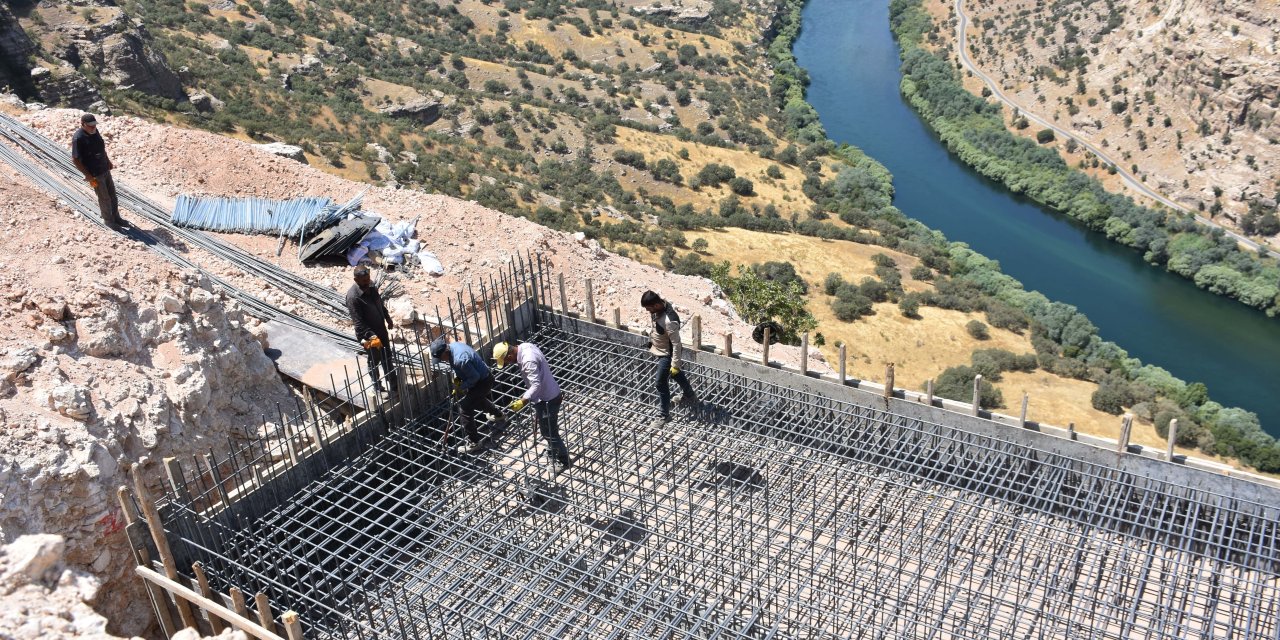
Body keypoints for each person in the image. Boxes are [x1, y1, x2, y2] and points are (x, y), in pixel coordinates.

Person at [493, 341, 571, 474]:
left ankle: (564, 460)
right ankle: (553, 449)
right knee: (548, 430)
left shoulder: (528, 360)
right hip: (547, 395)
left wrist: (523, 401)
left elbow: (536, 385)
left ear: (510, 356)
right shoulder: (525, 346)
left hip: (548, 399)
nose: (507, 364)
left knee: (549, 433)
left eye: (506, 362)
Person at [431, 337, 505, 453]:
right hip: (482, 376)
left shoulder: (459, 359)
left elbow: (475, 377)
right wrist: (458, 378)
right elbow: (462, 369)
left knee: (464, 407)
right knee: (476, 399)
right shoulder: (454, 346)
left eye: (441, 358)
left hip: (483, 381)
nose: (442, 361)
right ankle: (498, 414)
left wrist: (461, 386)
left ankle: (474, 442)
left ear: (445, 352)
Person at [641, 290, 698, 426]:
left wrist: (675, 364)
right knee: (675, 375)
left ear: (655, 305)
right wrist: (651, 342)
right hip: (660, 349)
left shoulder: (670, 320)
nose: (648, 311)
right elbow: (657, 329)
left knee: (660, 383)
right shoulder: (659, 309)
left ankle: (664, 415)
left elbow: (677, 344)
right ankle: (690, 395)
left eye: (649, 308)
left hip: (667, 354)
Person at [344, 265, 399, 400]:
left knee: (387, 356)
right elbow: (358, 322)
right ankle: (377, 387)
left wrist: (387, 318)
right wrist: (371, 335)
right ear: (356, 280)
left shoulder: (371, 286)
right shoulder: (353, 297)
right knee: (374, 360)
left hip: (381, 329)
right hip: (368, 334)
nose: (367, 282)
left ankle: (394, 385)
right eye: (363, 281)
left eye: (368, 279)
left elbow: (380, 303)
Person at [71, 113, 122, 228]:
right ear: (83, 124)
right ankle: (109, 221)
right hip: (94, 174)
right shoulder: (78, 138)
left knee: (113, 195)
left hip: (104, 168)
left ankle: (116, 217)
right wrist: (87, 175)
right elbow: (75, 159)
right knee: (104, 198)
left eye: (94, 125)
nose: (93, 127)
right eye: (90, 126)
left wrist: (108, 161)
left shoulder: (95, 131)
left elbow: (101, 148)